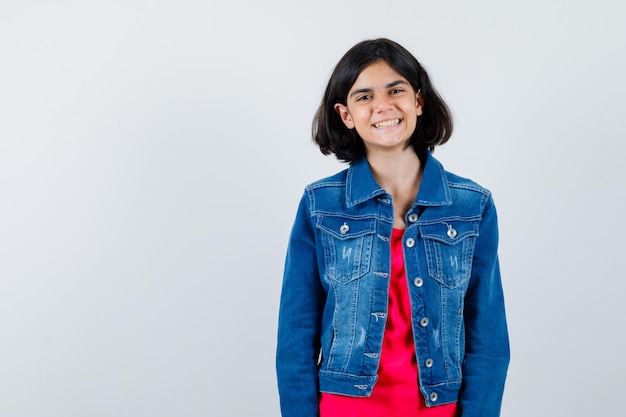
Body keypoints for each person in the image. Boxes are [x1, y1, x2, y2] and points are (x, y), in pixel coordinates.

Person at [276, 38, 510, 417]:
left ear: (418, 101)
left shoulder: (471, 205)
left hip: (439, 409)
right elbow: (295, 335)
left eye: (396, 90)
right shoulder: (320, 205)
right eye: (364, 96)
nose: (383, 105)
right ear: (346, 114)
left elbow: (489, 338)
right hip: (344, 408)